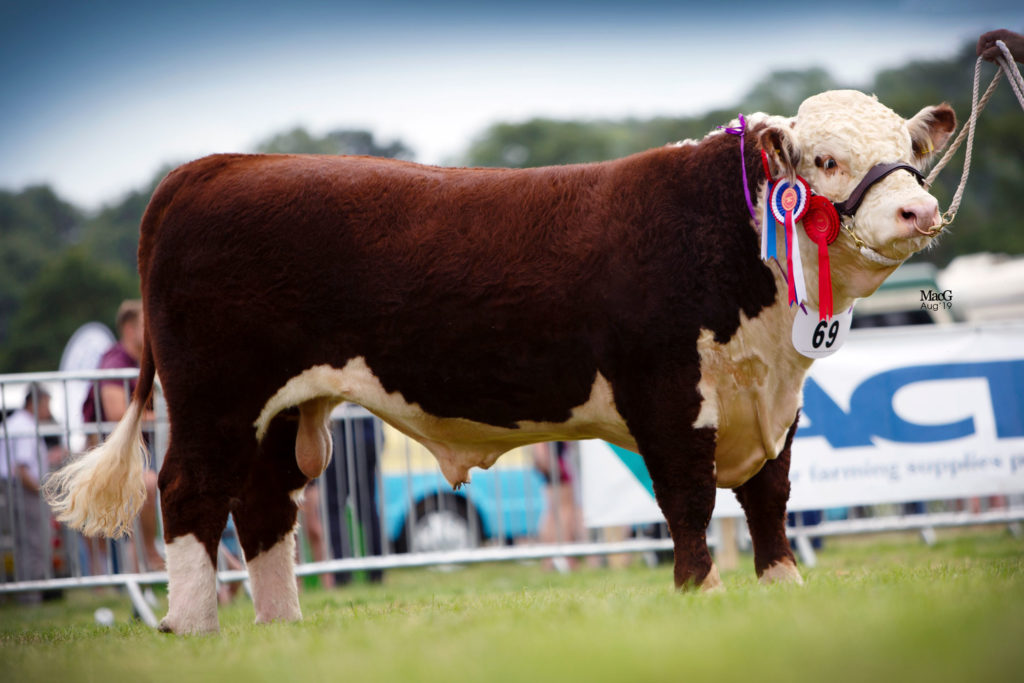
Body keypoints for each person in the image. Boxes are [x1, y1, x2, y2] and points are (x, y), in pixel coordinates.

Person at [82, 300, 163, 573]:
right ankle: (150, 554)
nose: (154, 329)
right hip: (113, 458)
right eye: (147, 324)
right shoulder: (114, 363)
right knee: (149, 484)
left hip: (141, 453)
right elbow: (116, 413)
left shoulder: (148, 360)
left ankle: (228, 572)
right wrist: (166, 417)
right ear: (129, 329)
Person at [1, 384, 64, 597]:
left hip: (14, 489)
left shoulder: (15, 423)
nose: (48, 410)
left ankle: (28, 593)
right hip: (26, 492)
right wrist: (42, 491)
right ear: (35, 403)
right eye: (47, 404)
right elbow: (22, 469)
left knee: (24, 544)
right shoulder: (26, 427)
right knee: (34, 543)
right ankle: (34, 594)